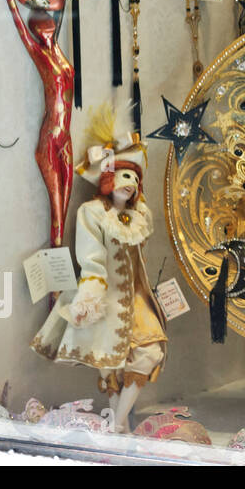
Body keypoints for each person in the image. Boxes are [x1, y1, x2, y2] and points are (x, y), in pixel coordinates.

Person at [32, 106, 166, 433]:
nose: (131, 184)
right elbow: (90, 258)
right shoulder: (92, 213)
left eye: (135, 178)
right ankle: (116, 426)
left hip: (136, 299)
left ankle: (117, 423)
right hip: (104, 296)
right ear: (108, 179)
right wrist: (90, 297)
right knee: (109, 365)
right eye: (124, 176)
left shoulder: (140, 215)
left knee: (149, 353)